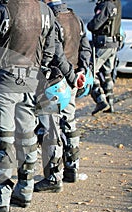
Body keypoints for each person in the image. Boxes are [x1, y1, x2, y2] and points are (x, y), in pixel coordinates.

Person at [0, 0, 57, 212]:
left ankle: (0, 200)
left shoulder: (0, 12)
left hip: (4, 84)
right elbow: (50, 50)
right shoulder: (45, 11)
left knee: (3, 142)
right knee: (27, 139)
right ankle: (24, 191)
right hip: (31, 83)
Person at [34, 0, 92, 193]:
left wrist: (72, 76)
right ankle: (72, 167)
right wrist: (82, 72)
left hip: (56, 81)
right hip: (73, 79)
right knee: (70, 123)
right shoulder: (75, 17)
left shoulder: (50, 18)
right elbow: (85, 47)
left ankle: (53, 177)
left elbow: (56, 53)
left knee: (51, 128)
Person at [87, 0, 122, 115]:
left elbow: (94, 25)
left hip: (103, 44)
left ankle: (100, 100)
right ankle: (110, 103)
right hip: (113, 44)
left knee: (91, 71)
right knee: (106, 74)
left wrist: (90, 24)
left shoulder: (107, 5)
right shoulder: (117, 3)